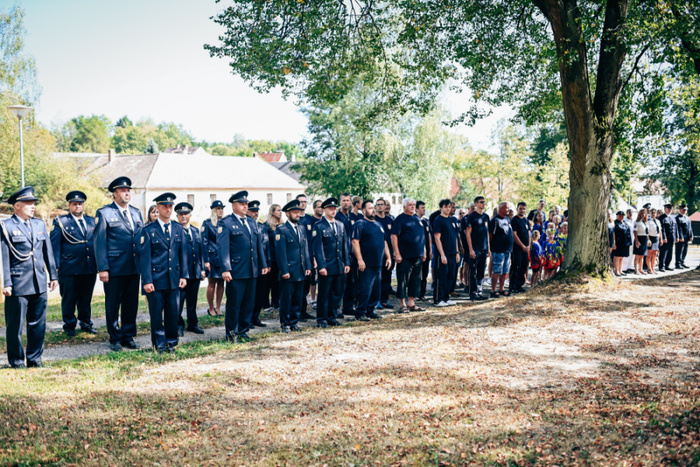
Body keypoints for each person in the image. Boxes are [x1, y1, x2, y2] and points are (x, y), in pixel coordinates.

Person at [1, 186, 58, 368]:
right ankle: (17, 360)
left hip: (39, 281)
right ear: (17, 206)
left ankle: (35, 359)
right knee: (15, 326)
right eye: (28, 203)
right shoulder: (6, 226)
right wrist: (6, 283)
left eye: (33, 203)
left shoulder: (39, 224)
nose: (33, 206)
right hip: (18, 283)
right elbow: (3, 257)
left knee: (38, 324)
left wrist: (53, 275)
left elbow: (47, 251)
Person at [94, 176, 144, 352]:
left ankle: (128, 336)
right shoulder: (105, 213)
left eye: (128, 190)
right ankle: (115, 337)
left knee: (131, 304)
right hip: (114, 268)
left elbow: (140, 239)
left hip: (133, 266)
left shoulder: (136, 213)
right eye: (123, 190)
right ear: (114, 194)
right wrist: (103, 268)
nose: (127, 193)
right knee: (113, 304)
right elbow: (99, 242)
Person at [218, 190, 269, 343]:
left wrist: (263, 264)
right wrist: (225, 268)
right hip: (236, 270)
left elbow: (258, 245)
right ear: (234, 206)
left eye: (246, 204)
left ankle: (243, 330)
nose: (245, 206)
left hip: (252, 269)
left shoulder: (252, 222)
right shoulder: (226, 223)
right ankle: (231, 333)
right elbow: (223, 248)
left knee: (248, 302)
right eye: (242, 204)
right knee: (234, 303)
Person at [140, 193, 187, 353]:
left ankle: (171, 342)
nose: (168, 209)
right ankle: (159, 344)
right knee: (156, 315)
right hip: (156, 279)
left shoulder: (178, 228)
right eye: (165, 206)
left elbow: (182, 254)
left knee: (173, 312)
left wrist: (183, 275)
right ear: (158, 208)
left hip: (173, 279)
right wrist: (147, 280)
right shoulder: (148, 230)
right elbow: (145, 258)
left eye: (170, 206)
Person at [50, 191, 98, 336]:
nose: (77, 206)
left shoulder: (91, 221)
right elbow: (54, 247)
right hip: (69, 268)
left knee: (86, 298)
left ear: (83, 205)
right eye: (74, 204)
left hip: (88, 266)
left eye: (80, 204)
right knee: (69, 299)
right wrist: (55, 268)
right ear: (69, 205)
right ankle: (69, 325)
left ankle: (86, 323)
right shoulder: (61, 222)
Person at [312, 197, 350, 327]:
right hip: (327, 266)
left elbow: (344, 246)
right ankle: (321, 319)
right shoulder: (319, 226)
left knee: (336, 293)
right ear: (324, 210)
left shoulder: (340, 225)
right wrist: (321, 266)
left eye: (334, 209)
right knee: (324, 294)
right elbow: (318, 248)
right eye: (330, 209)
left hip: (339, 265)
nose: (333, 211)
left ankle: (332, 317)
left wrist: (347, 263)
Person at [275, 199, 311, 332]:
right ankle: (285, 324)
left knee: (298, 298)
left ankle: (294, 322)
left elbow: (305, 249)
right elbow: (280, 253)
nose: (298, 214)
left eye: (298, 212)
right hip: (289, 271)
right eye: (295, 212)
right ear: (287, 214)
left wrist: (308, 266)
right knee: (286, 299)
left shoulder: (301, 228)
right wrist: (284, 270)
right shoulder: (282, 230)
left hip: (300, 269)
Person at [352, 200, 391, 321]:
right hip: (366, 263)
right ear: (364, 211)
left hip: (378, 263)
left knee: (376, 290)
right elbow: (355, 242)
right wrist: (360, 259)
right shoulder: (360, 224)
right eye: (370, 208)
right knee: (365, 289)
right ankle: (360, 312)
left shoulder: (379, 225)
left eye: (373, 208)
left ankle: (371, 310)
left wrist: (388, 257)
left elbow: (384, 241)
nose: (373, 210)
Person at [175, 202, 206, 335]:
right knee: (179, 302)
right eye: (181, 214)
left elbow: (201, 251)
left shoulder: (195, 231)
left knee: (192, 301)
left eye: (186, 214)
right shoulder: (175, 231)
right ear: (177, 216)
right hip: (181, 273)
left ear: (190, 215)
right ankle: (178, 326)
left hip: (195, 272)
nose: (183, 216)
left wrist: (202, 269)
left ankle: (193, 324)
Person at [391, 198, 426, 313]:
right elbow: (394, 236)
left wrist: (424, 251)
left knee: (415, 280)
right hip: (405, 255)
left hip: (417, 255)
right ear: (404, 207)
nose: (412, 207)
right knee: (403, 280)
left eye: (413, 205)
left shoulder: (417, 218)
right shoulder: (400, 219)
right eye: (410, 205)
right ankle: (402, 304)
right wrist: (397, 253)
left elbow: (422, 236)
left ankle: (412, 303)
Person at [433, 199, 460, 307]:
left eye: (449, 207)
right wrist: (442, 255)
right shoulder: (438, 220)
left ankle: (446, 297)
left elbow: (455, 237)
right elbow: (437, 238)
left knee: (451, 276)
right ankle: (438, 299)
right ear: (441, 208)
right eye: (446, 207)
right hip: (443, 254)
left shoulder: (452, 220)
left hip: (453, 253)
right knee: (442, 276)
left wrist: (457, 252)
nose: (448, 209)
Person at [247, 200, 269, 328]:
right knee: (250, 294)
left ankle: (255, 317)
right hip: (251, 264)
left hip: (262, 264)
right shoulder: (247, 226)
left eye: (256, 211)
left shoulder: (262, 227)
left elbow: (266, 247)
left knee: (260, 293)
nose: (255, 213)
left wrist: (267, 263)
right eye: (252, 211)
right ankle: (247, 319)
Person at [296, 193, 318, 321]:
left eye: (305, 201)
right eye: (301, 201)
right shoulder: (296, 219)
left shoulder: (310, 219)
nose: (303, 204)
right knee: (299, 286)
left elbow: (314, 240)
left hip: (309, 257)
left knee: (307, 285)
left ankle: (303, 311)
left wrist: (314, 257)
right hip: (299, 258)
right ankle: (297, 312)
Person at [202, 200, 225, 316]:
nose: (220, 211)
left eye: (221, 209)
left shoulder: (225, 223)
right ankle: (211, 308)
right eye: (218, 209)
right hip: (212, 258)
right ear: (213, 210)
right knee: (212, 283)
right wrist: (206, 260)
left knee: (221, 283)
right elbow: (204, 243)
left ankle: (218, 307)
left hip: (223, 258)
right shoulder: (207, 223)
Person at [465, 196, 490, 301]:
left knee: (481, 271)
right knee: (473, 272)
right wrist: (471, 249)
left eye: (484, 202)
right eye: (481, 202)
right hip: (475, 248)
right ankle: (473, 293)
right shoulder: (471, 217)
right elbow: (468, 234)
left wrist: (488, 248)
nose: (483, 204)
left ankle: (479, 291)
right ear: (476, 204)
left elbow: (487, 233)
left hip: (484, 248)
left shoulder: (486, 217)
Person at [489, 202, 514, 297]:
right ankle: (493, 290)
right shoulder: (495, 221)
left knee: (504, 271)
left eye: (509, 208)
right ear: (501, 209)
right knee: (497, 271)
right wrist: (490, 249)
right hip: (498, 250)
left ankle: (501, 289)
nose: (508, 210)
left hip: (507, 250)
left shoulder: (507, 219)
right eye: (506, 208)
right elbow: (490, 236)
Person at [337, 193, 356, 317]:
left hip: (352, 254)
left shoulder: (352, 216)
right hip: (341, 254)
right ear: (340, 202)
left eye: (348, 200)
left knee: (351, 282)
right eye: (343, 200)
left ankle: (348, 307)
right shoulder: (337, 216)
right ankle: (336, 308)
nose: (346, 202)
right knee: (340, 284)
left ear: (350, 202)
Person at [374, 198, 395, 310]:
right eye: (378, 204)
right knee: (378, 278)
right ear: (376, 207)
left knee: (387, 277)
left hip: (389, 253)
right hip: (377, 253)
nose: (381, 206)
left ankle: (384, 300)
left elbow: (393, 236)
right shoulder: (374, 220)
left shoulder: (390, 220)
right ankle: (376, 301)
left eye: (383, 204)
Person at [264, 204, 282, 310]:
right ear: (272, 212)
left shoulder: (282, 225)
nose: (280, 212)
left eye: (281, 210)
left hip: (279, 257)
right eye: (278, 210)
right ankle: (266, 304)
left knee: (277, 281)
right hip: (271, 257)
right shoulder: (266, 226)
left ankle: (276, 302)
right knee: (268, 282)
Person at [509, 201, 530, 294]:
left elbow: (528, 233)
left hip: (526, 248)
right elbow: (514, 235)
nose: (522, 210)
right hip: (517, 248)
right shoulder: (514, 220)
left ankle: (519, 285)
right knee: (516, 266)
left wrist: (528, 245)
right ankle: (513, 286)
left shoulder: (525, 220)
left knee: (524, 266)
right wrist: (522, 246)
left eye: (524, 209)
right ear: (517, 209)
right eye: (520, 208)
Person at [416, 201, 433, 301]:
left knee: (425, 273)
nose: (424, 209)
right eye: (422, 208)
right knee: (417, 273)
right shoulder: (415, 220)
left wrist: (430, 250)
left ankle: (422, 293)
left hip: (427, 251)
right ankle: (415, 294)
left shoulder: (426, 221)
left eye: (424, 207)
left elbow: (429, 236)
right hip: (418, 252)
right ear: (417, 209)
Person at [658, 203, 677, 271]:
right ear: (665, 209)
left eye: (670, 208)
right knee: (663, 252)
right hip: (665, 238)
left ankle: (667, 265)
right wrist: (664, 237)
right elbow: (662, 229)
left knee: (669, 252)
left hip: (671, 238)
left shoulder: (671, 218)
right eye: (668, 208)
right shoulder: (662, 217)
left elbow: (674, 228)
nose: (669, 210)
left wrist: (675, 237)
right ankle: (661, 266)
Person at [612, 211, 632, 276]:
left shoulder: (624, 223)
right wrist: (614, 243)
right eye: (619, 215)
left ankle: (620, 270)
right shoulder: (615, 223)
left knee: (621, 257)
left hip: (625, 243)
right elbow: (614, 234)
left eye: (622, 215)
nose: (621, 217)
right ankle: (616, 271)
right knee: (617, 257)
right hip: (618, 243)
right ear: (617, 216)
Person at [675, 204, 693, 269]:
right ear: (680, 210)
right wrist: (680, 237)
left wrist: (691, 235)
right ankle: (678, 264)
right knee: (679, 250)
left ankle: (682, 262)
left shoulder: (687, 217)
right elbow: (678, 228)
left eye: (686, 210)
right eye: (683, 210)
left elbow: (690, 227)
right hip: (681, 237)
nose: (685, 211)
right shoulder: (678, 218)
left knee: (685, 250)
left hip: (687, 237)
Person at [633, 210, 651, 275]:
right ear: (639, 214)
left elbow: (647, 232)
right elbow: (635, 231)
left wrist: (648, 240)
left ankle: (641, 269)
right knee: (637, 255)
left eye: (644, 213)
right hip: (639, 238)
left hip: (644, 239)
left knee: (642, 255)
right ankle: (636, 270)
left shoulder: (645, 222)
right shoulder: (637, 222)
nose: (643, 215)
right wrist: (637, 241)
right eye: (642, 213)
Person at [647, 208, 661, 274]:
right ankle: (649, 269)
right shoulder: (648, 221)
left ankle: (653, 268)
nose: (653, 214)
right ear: (650, 213)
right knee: (649, 254)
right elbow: (647, 231)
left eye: (654, 213)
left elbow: (660, 231)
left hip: (656, 238)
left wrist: (661, 239)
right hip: (650, 238)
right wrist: (648, 239)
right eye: (652, 213)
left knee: (655, 254)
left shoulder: (658, 221)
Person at [622, 208, 636, 273]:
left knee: (631, 253)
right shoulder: (625, 221)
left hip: (633, 239)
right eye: (629, 212)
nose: (630, 214)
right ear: (627, 213)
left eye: (631, 212)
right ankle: (624, 268)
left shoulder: (634, 221)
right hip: (627, 239)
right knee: (626, 254)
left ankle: (629, 266)